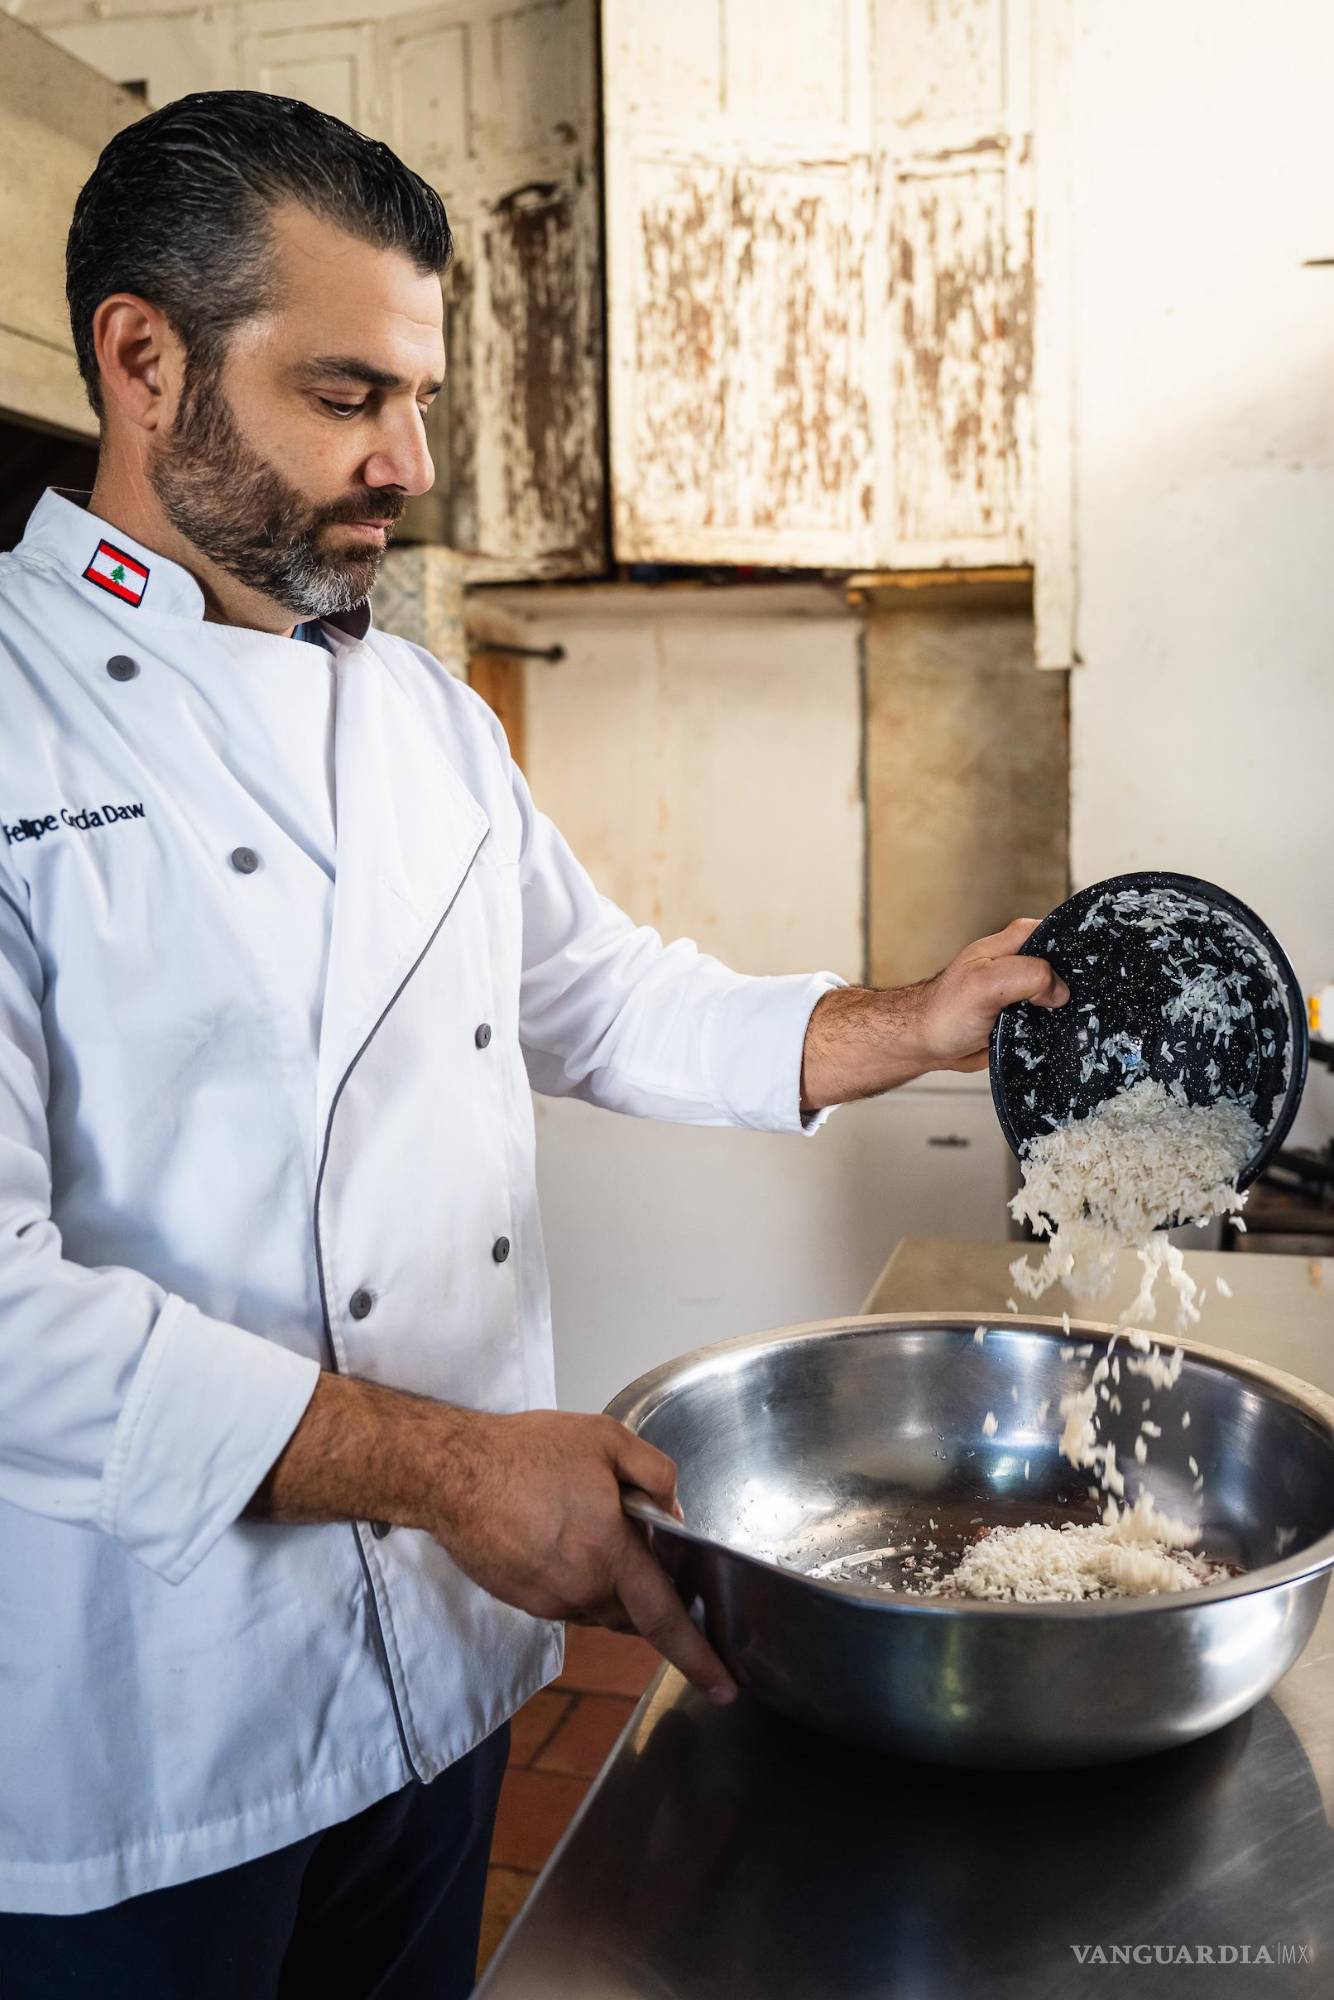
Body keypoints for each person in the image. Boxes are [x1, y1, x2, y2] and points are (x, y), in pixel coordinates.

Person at [0, 89, 1069, 1996]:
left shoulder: (419, 716)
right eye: (348, 396)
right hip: (144, 1716)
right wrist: (460, 1471)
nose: (410, 461)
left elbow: (600, 997)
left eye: (421, 398)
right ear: (142, 359)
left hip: (441, 1671)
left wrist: (905, 1022)